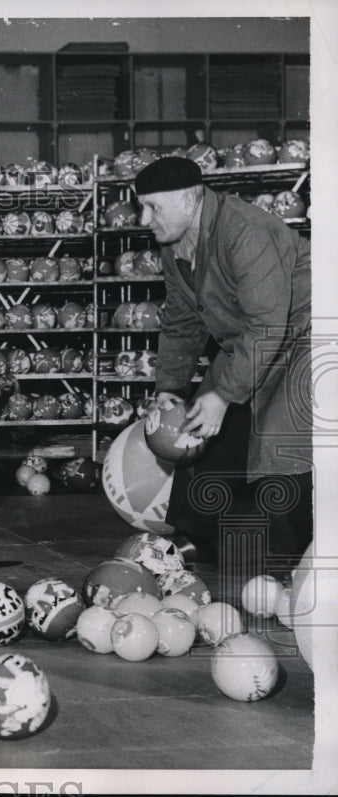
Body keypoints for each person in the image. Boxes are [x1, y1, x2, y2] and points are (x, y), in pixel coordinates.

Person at [132, 156, 312, 572]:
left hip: (302, 334)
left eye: (153, 207)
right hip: (250, 339)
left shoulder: (243, 230)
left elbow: (269, 322)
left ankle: (308, 559)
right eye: (141, 206)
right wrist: (169, 389)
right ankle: (194, 542)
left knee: (282, 445)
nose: (144, 219)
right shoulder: (174, 245)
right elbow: (181, 320)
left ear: (190, 198)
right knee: (199, 432)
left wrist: (226, 395)